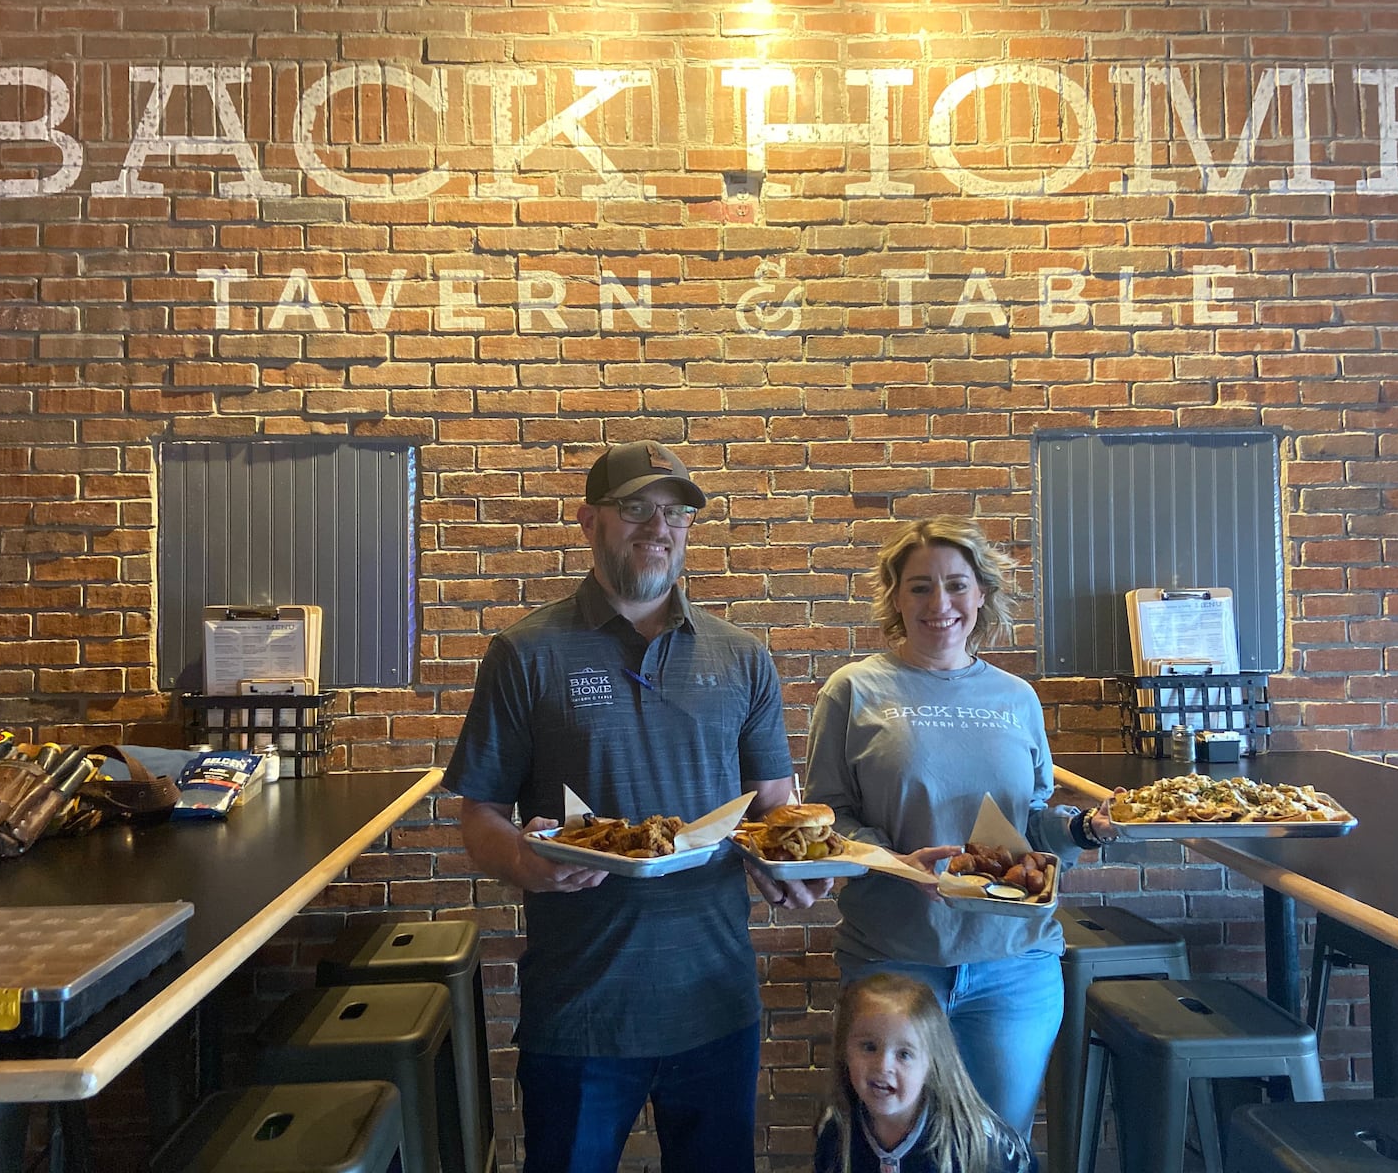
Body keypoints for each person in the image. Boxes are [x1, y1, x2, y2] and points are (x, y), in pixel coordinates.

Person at [444, 440, 831, 1173]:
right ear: (588, 521)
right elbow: (480, 814)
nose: (658, 527)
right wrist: (526, 863)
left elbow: (775, 805)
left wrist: (796, 866)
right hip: (581, 1010)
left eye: (675, 513)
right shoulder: (524, 653)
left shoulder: (742, 655)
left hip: (715, 1001)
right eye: (635, 510)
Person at [804, 516, 1117, 1139]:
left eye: (955, 585)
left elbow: (1027, 822)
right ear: (894, 596)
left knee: (997, 1142)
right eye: (919, 586)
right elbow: (827, 815)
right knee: (892, 1140)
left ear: (981, 594)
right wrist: (896, 862)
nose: (938, 604)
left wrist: (1082, 831)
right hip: (893, 960)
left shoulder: (1016, 697)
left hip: (1014, 964)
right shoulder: (855, 689)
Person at [816, 972, 1036, 1173]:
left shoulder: (978, 1144)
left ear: (931, 1064)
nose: (883, 1066)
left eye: (904, 1054)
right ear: (844, 1051)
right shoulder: (836, 1129)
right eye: (869, 1047)